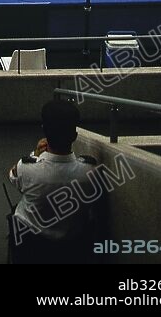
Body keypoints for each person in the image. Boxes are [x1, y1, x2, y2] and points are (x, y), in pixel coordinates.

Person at [8, 99, 101, 264]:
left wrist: (36, 154)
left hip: (31, 247)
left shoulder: (26, 167)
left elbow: (13, 177)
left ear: (44, 130)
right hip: (73, 248)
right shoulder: (90, 170)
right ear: (74, 136)